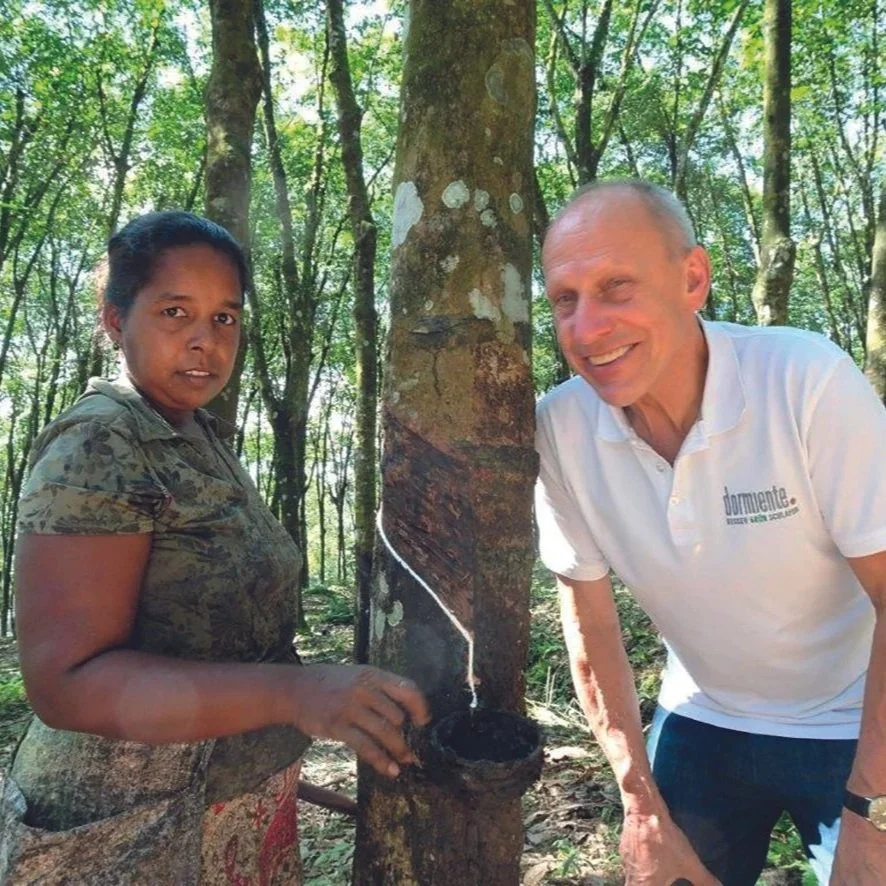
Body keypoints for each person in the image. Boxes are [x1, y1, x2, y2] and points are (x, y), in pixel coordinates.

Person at [2, 211, 429, 884]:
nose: (205, 340)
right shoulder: (100, 442)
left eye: (225, 318)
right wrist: (297, 694)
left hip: (225, 814)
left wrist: (284, 772)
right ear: (116, 321)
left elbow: (223, 651)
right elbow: (66, 684)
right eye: (176, 312)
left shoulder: (197, 436)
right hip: (120, 836)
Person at [534, 179, 886, 885]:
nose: (587, 328)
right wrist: (640, 805)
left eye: (616, 287)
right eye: (564, 301)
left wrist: (871, 810)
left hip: (852, 719)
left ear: (692, 277)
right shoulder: (562, 427)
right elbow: (591, 628)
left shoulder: (804, 381)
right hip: (702, 717)